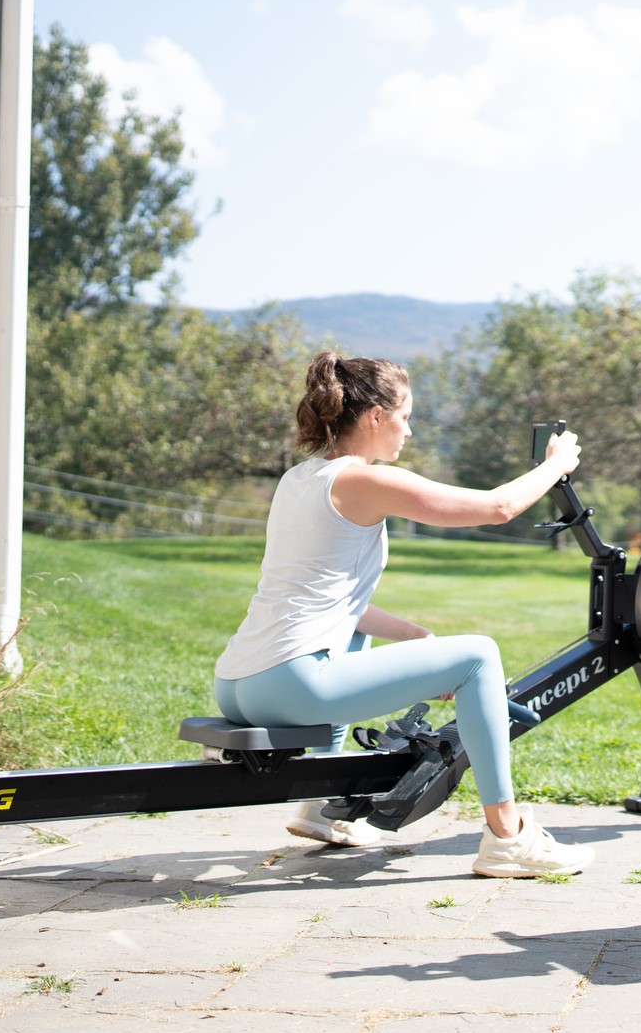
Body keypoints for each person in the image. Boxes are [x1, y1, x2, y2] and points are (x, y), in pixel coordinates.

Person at [213, 350, 595, 878]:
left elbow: (328, 600)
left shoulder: (300, 478)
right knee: (480, 657)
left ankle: (325, 809)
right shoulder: (361, 481)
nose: (408, 432)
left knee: (354, 638)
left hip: (239, 683)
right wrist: (555, 466)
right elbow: (496, 509)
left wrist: (415, 638)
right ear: (374, 417)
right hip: (293, 684)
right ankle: (508, 836)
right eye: (405, 417)